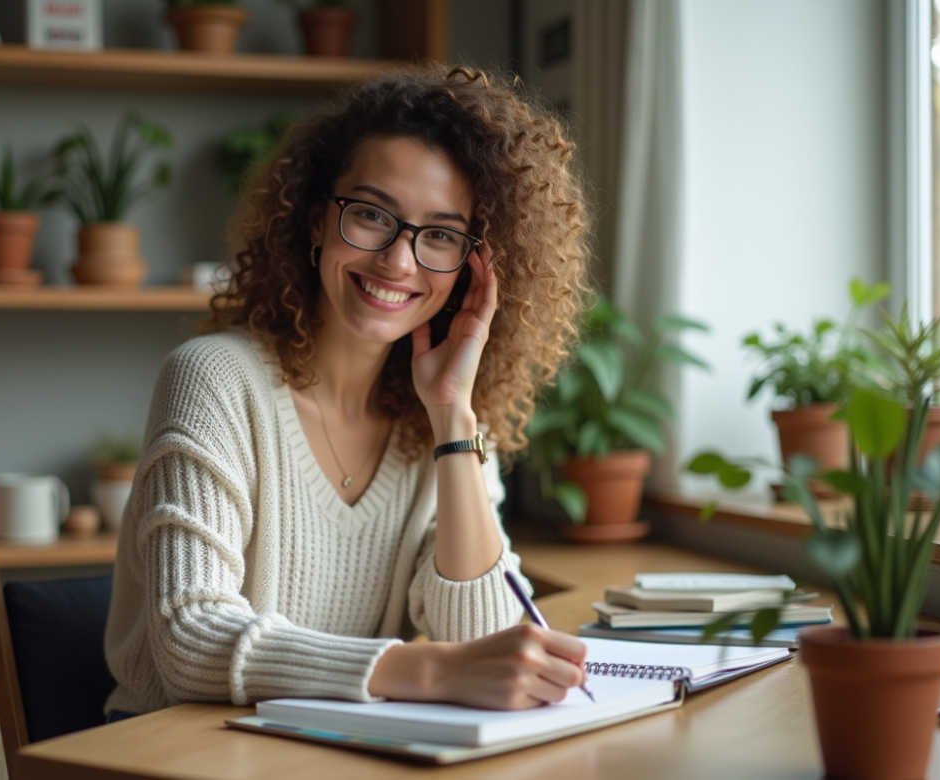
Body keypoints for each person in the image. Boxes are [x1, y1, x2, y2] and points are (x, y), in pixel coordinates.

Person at [103, 63, 592, 719]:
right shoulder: (214, 379)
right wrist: (425, 669)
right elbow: (188, 644)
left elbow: (483, 640)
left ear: (474, 270)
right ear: (314, 221)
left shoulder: (449, 423)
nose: (398, 260)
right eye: (370, 215)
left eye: (441, 236)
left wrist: (452, 419)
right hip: (174, 756)